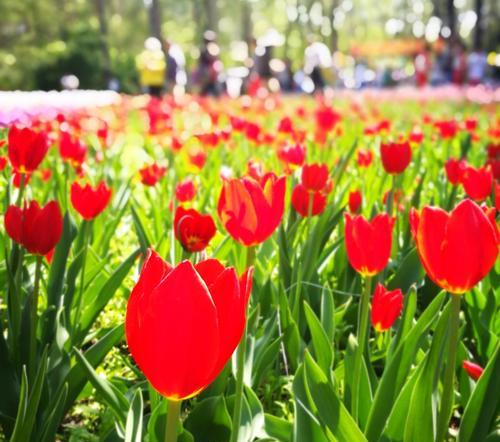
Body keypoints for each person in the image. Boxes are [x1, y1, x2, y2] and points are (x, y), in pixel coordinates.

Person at [195, 30, 221, 96]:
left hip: (211, 75)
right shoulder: (204, 49)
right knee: (205, 92)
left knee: (213, 91)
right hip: (206, 75)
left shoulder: (213, 48)